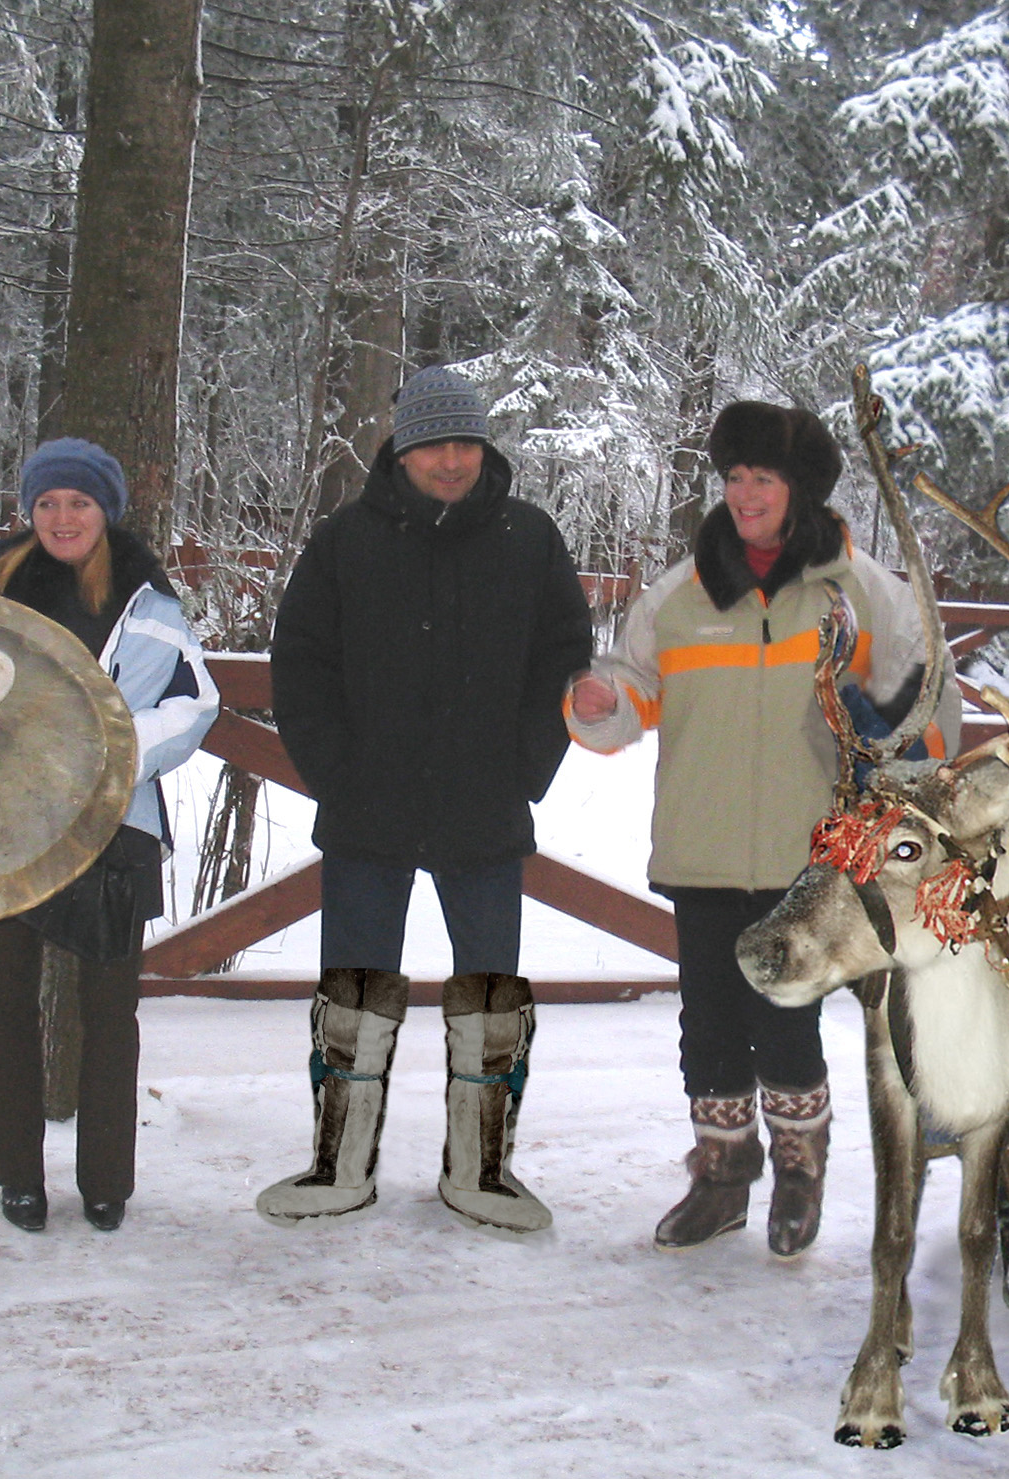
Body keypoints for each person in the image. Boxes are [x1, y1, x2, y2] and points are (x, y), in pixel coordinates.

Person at [567, 402, 959, 1257]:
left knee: (784, 1018)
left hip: (810, 859)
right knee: (707, 1021)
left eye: (764, 479)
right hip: (699, 845)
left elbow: (931, 706)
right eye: (734, 477)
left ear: (800, 490)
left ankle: (798, 1172)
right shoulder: (680, 595)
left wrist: (896, 757)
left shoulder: (862, 592)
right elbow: (633, 685)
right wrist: (600, 703)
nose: (744, 494)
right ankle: (721, 1174)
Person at [259, 364, 594, 1233]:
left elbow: (564, 656)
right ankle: (339, 1166)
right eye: (433, 445)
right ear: (401, 450)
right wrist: (335, 769)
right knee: (353, 995)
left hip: (484, 807)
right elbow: (299, 663)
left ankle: (480, 1171)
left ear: (483, 448)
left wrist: (526, 766)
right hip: (368, 807)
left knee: (490, 997)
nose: (451, 461)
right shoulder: (344, 540)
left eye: (464, 444)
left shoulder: (528, 537)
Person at [0, 437, 218, 1234]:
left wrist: (101, 758)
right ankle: (15, 1172)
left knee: (109, 1008)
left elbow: (192, 704)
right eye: (47, 503)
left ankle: (106, 1180)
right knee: (6, 998)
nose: (62, 517)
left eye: (78, 502)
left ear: (103, 509)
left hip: (115, 823)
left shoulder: (149, 601)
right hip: (9, 825)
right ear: (28, 510)